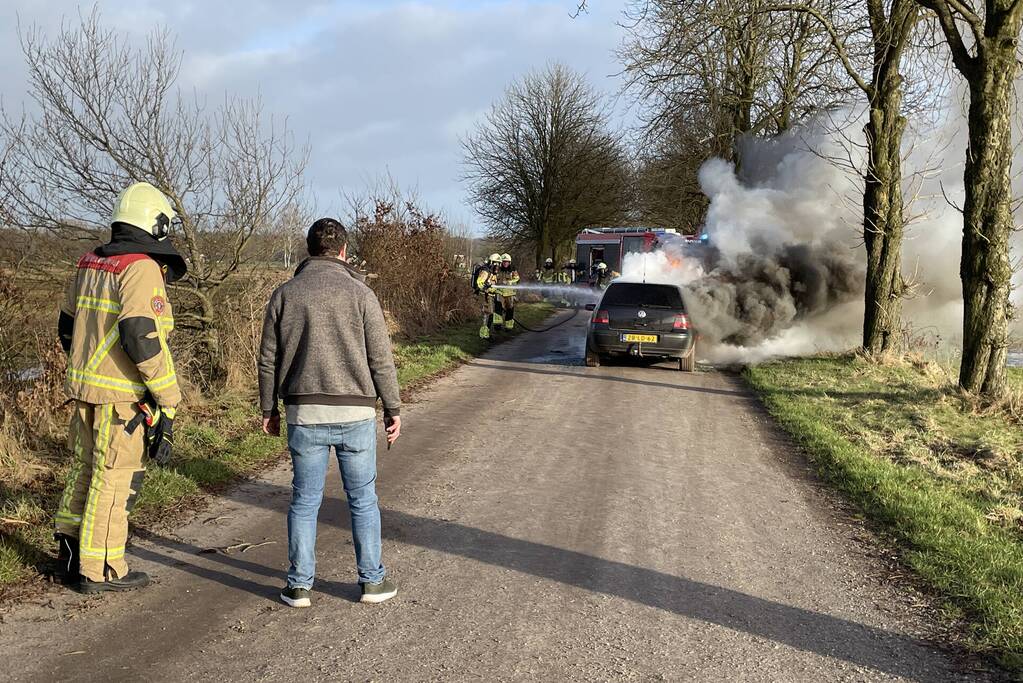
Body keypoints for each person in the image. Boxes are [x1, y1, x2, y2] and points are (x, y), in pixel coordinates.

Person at [259, 218, 402, 608]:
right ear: (343, 251)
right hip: (356, 414)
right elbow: (381, 360)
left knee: (305, 501)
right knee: (363, 500)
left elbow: (268, 360)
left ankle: (299, 586)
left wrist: (268, 407)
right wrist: (392, 408)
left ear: (309, 249)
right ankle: (372, 582)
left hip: (303, 415)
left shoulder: (284, 294)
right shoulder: (362, 294)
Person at [53, 181, 187, 593]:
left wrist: (87, 371)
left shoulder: (89, 263)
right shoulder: (141, 268)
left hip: (85, 391)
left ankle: (71, 556)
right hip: (121, 398)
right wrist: (168, 397)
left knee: (85, 470)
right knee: (114, 479)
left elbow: (66, 327)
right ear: (156, 223)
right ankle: (103, 569)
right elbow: (141, 336)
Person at [475, 253, 502, 339]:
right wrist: (486, 286)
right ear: (491, 262)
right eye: (496, 263)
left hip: (490, 295)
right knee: (488, 313)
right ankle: (484, 334)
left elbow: (493, 283)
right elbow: (479, 283)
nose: (497, 266)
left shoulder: (493, 272)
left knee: (490, 314)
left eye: (499, 263)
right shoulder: (485, 271)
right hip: (485, 295)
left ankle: (486, 333)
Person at [496, 253, 520, 330]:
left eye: (507, 261)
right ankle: (497, 325)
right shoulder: (497, 270)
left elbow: (517, 278)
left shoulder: (513, 270)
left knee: (510, 308)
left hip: (510, 293)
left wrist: (510, 281)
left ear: (509, 262)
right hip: (500, 293)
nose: (505, 263)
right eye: (504, 261)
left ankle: (508, 326)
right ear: (501, 262)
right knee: (498, 307)